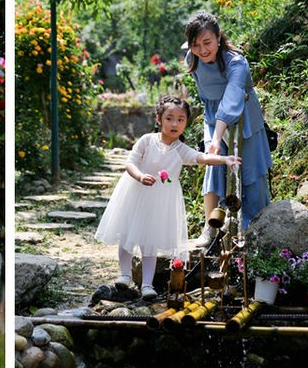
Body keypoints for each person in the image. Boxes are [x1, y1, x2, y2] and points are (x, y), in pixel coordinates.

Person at [95, 95, 240, 299]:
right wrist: (139, 175)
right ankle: (125, 275)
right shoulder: (147, 140)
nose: (175, 123)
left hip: (160, 201)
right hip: (136, 193)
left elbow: (202, 158)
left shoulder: (180, 150)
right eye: (169, 118)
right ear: (159, 119)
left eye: (180, 119)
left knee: (150, 241)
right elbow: (130, 163)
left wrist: (224, 159)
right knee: (127, 234)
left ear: (185, 123)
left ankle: (147, 284)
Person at [182, 11, 273, 246]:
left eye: (207, 43)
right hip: (213, 118)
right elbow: (208, 97)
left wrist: (217, 136)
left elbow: (231, 99)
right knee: (214, 167)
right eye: (195, 45)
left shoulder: (235, 62)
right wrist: (213, 137)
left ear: (219, 37)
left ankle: (254, 231)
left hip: (244, 117)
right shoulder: (191, 59)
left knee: (251, 172)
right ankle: (210, 229)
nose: (202, 50)